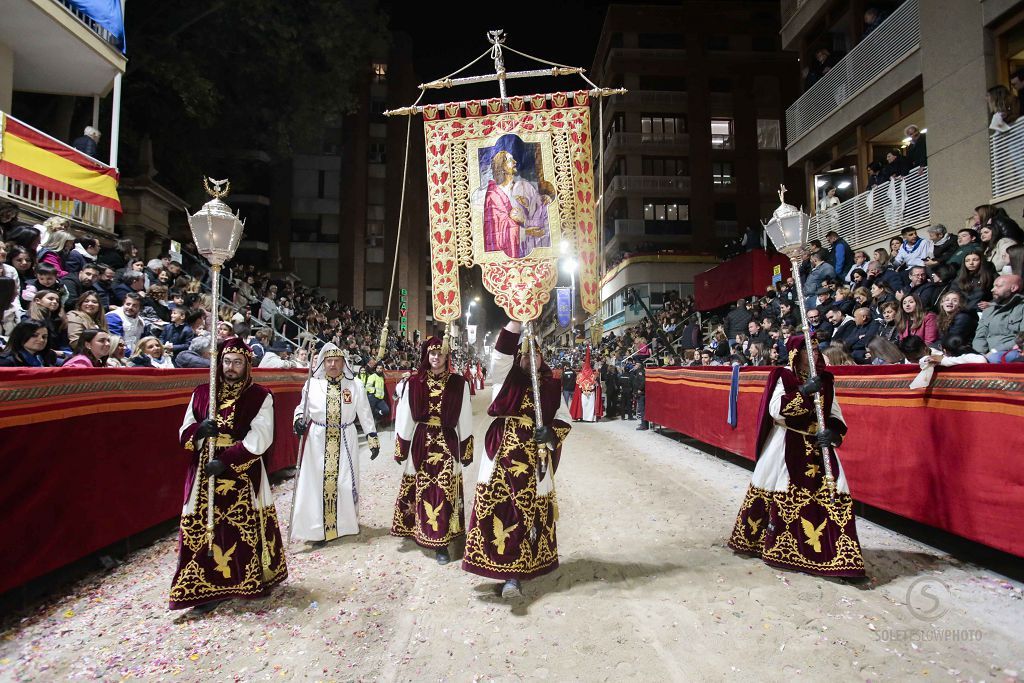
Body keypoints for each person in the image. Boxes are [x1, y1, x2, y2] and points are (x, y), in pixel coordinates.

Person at [728, 335, 865, 578]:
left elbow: (834, 412)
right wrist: (802, 392)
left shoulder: (826, 380)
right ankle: (777, 546)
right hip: (787, 442)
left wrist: (833, 432)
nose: (813, 353)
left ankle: (835, 555)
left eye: (815, 348)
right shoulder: (783, 376)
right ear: (795, 354)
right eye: (807, 349)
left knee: (834, 491)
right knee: (778, 485)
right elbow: (776, 410)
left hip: (817, 446)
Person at [171, 337, 287, 613]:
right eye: (226, 362)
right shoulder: (202, 393)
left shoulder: (260, 395)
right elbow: (184, 430)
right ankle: (204, 588)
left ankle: (245, 579)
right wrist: (200, 432)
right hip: (203, 470)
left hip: (241, 470)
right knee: (203, 528)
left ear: (248, 365)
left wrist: (226, 460)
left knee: (242, 527)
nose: (231, 367)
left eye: (237, 362)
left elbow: (261, 435)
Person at [462, 321, 572, 597]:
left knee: (529, 511)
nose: (528, 359)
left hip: (535, 456)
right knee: (500, 509)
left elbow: (565, 419)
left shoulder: (552, 385)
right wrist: (514, 321)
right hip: (502, 450)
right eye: (523, 355)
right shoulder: (504, 377)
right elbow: (500, 355)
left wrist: (551, 433)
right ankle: (501, 567)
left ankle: (521, 569)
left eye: (533, 355)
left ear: (542, 356)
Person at [390, 336, 474, 564]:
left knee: (443, 490)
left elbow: (464, 416)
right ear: (426, 356)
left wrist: (466, 448)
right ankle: (418, 530)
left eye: (440, 354)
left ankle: (441, 543)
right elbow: (406, 416)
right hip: (421, 441)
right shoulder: (414, 383)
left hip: (447, 441)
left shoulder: (459, 383)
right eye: (432, 353)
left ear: (447, 356)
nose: (435, 357)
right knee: (422, 489)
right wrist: (401, 447)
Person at [292, 344, 380, 544]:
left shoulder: (355, 384)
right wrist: (298, 420)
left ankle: (344, 525)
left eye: (337, 361)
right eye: (329, 361)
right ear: (323, 362)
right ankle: (317, 528)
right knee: (316, 483)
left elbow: (365, 412)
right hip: (317, 439)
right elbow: (302, 407)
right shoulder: (312, 384)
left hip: (345, 438)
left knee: (344, 482)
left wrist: (372, 437)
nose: (333, 364)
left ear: (343, 363)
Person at [972, 275, 1024, 354]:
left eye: (998, 286)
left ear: (1013, 288)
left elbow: (1022, 337)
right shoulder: (989, 310)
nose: (992, 290)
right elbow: (979, 337)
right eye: (993, 286)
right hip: (986, 356)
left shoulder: (1021, 307)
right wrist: (980, 354)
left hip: (1011, 353)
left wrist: (994, 351)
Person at [569, 346, 603, 422]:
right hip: (590, 394)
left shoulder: (581, 375)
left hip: (584, 394)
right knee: (589, 406)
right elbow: (597, 386)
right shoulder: (593, 375)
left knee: (585, 406)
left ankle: (584, 417)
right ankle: (590, 418)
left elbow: (578, 386)